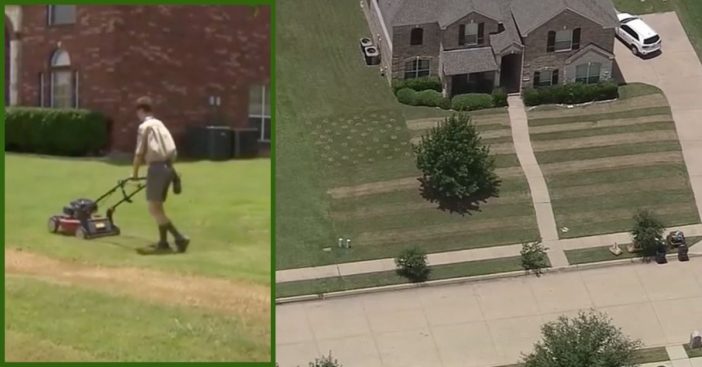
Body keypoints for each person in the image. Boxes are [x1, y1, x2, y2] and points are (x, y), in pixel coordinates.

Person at [132, 96, 189, 253]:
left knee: (153, 209)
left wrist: (135, 174)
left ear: (141, 110)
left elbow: (139, 153)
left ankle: (179, 238)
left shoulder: (144, 127)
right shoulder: (160, 124)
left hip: (156, 168)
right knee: (159, 206)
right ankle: (163, 242)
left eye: (137, 112)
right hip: (169, 167)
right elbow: (171, 148)